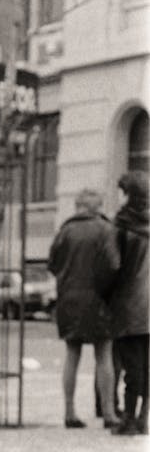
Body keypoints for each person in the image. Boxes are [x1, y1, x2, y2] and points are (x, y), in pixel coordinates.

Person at [47, 188, 120, 429]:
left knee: (72, 354)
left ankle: (69, 412)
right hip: (99, 299)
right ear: (97, 207)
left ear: (78, 206)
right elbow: (113, 265)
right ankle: (109, 413)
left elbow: (53, 264)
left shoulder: (65, 231)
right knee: (104, 355)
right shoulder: (106, 229)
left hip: (69, 299)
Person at [100, 171, 149, 435]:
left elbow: (112, 265)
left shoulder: (120, 226)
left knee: (132, 365)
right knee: (147, 364)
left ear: (128, 195)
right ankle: (144, 417)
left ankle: (129, 419)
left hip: (129, 304)